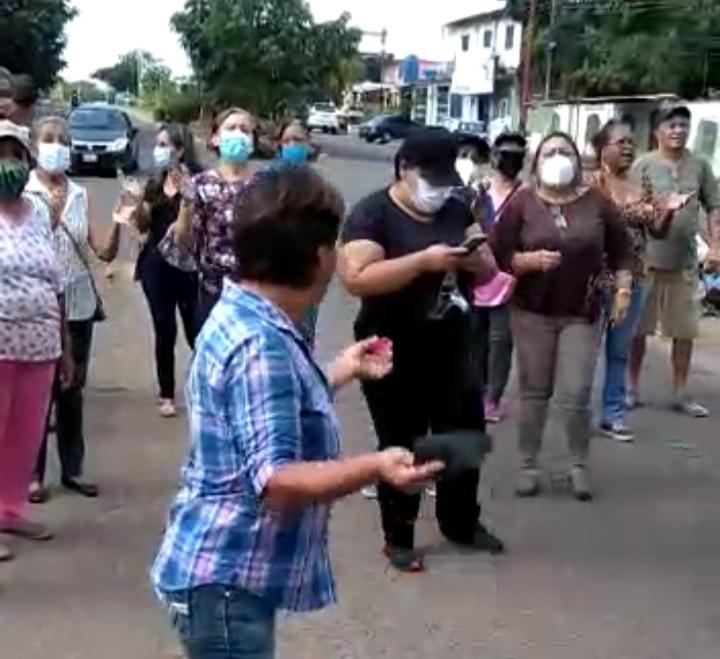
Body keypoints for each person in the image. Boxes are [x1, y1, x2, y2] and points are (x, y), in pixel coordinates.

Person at [151, 165, 442, 659]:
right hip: (224, 581)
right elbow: (279, 479)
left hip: (221, 575)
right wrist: (377, 466)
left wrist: (340, 370)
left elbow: (263, 411)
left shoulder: (245, 313)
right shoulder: (259, 344)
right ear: (319, 257)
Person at [339, 129, 504, 573]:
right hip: (391, 347)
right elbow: (357, 277)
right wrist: (422, 262)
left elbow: (488, 268)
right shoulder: (372, 213)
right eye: (430, 178)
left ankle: (460, 521)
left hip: (453, 343)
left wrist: (474, 259)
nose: (439, 189)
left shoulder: (455, 207)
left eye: (445, 179)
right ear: (403, 169)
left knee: (462, 435)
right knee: (402, 442)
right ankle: (399, 536)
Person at [491, 132, 633, 501]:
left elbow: (622, 250)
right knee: (534, 391)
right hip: (532, 312)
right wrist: (524, 261)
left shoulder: (596, 202)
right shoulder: (522, 202)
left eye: (565, 151)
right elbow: (496, 252)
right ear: (536, 162)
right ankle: (528, 463)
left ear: (578, 158)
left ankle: (577, 464)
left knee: (576, 393)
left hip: (581, 312)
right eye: (550, 152)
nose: (557, 158)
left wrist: (622, 290)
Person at [25, 116, 121, 502]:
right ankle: (31, 475)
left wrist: (120, 222)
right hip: (36, 302)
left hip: (78, 302)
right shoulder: (21, 192)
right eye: (49, 139)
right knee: (37, 392)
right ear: (33, 145)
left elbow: (102, 250)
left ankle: (73, 470)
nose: (57, 145)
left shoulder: (80, 194)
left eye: (63, 139)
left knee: (72, 389)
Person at [590, 119, 690, 442]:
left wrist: (667, 211)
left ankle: (613, 415)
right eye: (621, 143)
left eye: (632, 142)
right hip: (593, 280)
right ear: (602, 147)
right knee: (583, 349)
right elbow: (601, 220)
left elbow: (656, 231)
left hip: (633, 279)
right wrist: (641, 211)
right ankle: (575, 410)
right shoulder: (591, 184)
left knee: (619, 350)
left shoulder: (640, 185)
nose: (629, 148)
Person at [0, 120, 71, 560]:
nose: (8, 163)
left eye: (15, 154)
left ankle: (9, 509)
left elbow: (56, 280)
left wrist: (64, 346)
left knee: (24, 437)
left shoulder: (40, 210)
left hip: (41, 344)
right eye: (0, 153)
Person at [628, 104, 720, 418]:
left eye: (683, 124)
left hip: (685, 265)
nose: (678, 130)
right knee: (638, 329)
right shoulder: (643, 165)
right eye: (672, 125)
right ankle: (631, 388)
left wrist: (717, 248)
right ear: (658, 131)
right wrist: (663, 209)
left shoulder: (700, 166)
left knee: (685, 331)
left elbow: (715, 209)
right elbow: (632, 209)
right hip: (646, 263)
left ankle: (680, 393)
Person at [130, 124, 200, 418]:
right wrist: (135, 207)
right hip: (155, 264)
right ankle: (167, 394)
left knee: (196, 330)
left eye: (164, 144)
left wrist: (188, 199)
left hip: (187, 266)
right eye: (157, 144)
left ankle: (205, 387)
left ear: (180, 149)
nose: (158, 150)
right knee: (163, 327)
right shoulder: (154, 183)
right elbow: (144, 226)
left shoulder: (197, 182)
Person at [172, 107, 259, 331]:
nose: (238, 134)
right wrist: (187, 204)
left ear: (252, 142)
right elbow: (183, 243)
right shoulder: (200, 184)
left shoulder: (268, 186)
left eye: (245, 130)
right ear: (216, 139)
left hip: (258, 294)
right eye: (231, 128)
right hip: (214, 294)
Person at [474, 133, 527, 423]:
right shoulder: (478, 191)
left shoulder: (526, 195)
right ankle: (477, 391)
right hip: (476, 278)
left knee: (501, 341)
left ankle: (492, 398)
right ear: (493, 156)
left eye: (517, 154)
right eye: (505, 153)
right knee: (476, 340)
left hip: (510, 279)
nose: (510, 159)